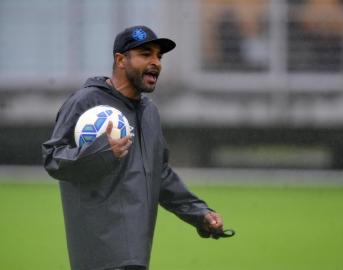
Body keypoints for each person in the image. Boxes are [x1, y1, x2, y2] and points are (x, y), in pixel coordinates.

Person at [42, 25, 230, 270]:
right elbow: (54, 158)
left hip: (136, 253)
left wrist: (199, 213)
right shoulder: (85, 102)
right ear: (121, 60)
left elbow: (159, 174)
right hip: (99, 254)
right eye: (145, 54)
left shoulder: (149, 111)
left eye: (159, 56)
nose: (156, 62)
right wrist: (103, 151)